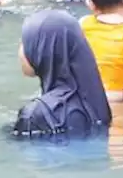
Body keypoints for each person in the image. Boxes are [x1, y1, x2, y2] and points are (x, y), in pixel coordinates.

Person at [11, 11, 111, 139]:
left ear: (44, 49)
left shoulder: (37, 115)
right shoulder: (95, 101)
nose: (20, 49)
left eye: (25, 42)